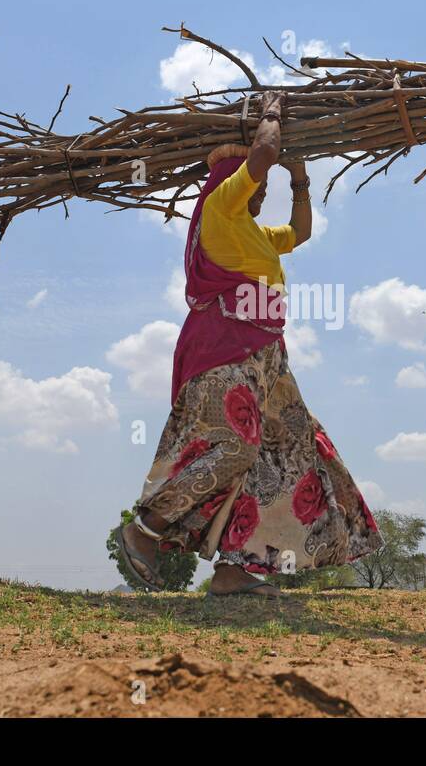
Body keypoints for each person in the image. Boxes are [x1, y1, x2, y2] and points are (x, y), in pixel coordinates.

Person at [115, 92, 383, 596]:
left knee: (285, 452)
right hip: (222, 347)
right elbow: (262, 156)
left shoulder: (255, 233)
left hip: (265, 357)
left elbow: (300, 232)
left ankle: (236, 568)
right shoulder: (221, 207)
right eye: (253, 186)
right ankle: (145, 529)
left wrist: (299, 177)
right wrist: (273, 113)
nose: (260, 193)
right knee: (235, 447)